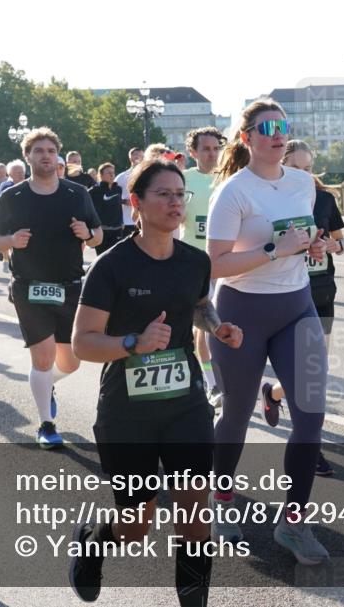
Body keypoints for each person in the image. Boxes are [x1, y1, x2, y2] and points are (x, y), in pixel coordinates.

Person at [69, 158, 243, 605]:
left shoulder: (195, 261)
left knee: (195, 515)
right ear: (137, 203)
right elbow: (83, 343)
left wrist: (218, 326)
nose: (174, 202)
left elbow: (198, 305)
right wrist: (134, 343)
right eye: (163, 194)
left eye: (180, 194)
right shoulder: (111, 266)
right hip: (127, 411)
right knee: (135, 527)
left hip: (186, 403)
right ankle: (93, 542)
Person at [205, 99, 331, 564]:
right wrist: (275, 250)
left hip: (297, 307)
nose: (278, 134)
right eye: (267, 128)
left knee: (311, 416)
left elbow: (303, 235)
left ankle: (294, 523)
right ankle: (221, 499)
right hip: (242, 312)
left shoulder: (302, 182)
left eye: (283, 126)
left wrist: (312, 246)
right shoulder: (233, 192)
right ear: (247, 138)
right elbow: (216, 264)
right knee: (236, 414)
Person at [0, 127, 103, 449]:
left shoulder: (76, 193)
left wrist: (87, 234)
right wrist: (10, 240)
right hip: (29, 287)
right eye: (38, 151)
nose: (46, 156)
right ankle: (46, 424)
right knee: (43, 358)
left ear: (58, 156)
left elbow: (98, 236)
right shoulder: (13, 196)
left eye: (51, 151)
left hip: (69, 285)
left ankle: (45, 384)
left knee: (71, 361)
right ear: (27, 157)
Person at [261, 140, 344, 477]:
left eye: (309, 168)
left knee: (315, 370)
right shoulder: (269, 198)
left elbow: (342, 242)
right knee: (310, 373)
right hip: (285, 292)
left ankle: (274, 393)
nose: (304, 175)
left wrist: (330, 245)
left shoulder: (324, 198)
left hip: (321, 290)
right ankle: (313, 448)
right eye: (296, 168)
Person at [183, 126, 225, 408]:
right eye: (206, 149)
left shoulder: (230, 178)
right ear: (193, 152)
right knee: (204, 328)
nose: (212, 154)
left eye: (215, 148)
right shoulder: (182, 179)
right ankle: (212, 385)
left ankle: (222, 380)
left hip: (226, 264)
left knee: (223, 326)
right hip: (193, 264)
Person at [87, 163, 124, 255]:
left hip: (117, 230)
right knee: (102, 258)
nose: (112, 175)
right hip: (102, 231)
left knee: (116, 257)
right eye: (109, 173)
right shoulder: (94, 191)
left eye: (113, 172)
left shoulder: (118, 189)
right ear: (101, 175)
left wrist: (121, 222)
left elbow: (119, 207)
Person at [115, 147, 144, 239]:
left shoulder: (149, 176)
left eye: (141, 155)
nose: (138, 157)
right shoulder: (121, 177)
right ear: (130, 157)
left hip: (145, 221)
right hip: (127, 222)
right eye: (135, 155)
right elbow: (112, 197)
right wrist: (125, 201)